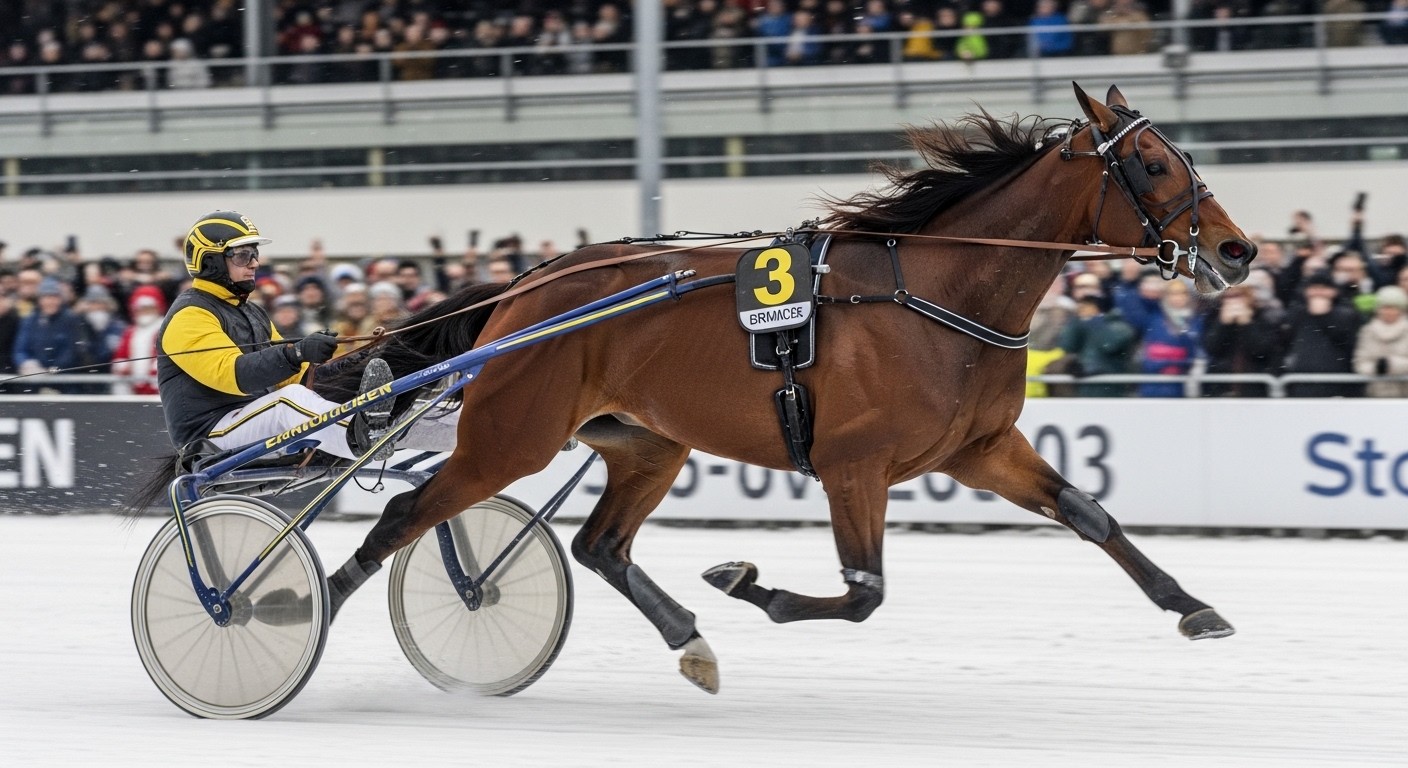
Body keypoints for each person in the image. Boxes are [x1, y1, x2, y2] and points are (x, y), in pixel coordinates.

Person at [157, 211, 416, 461]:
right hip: (210, 436)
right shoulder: (190, 315)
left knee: (300, 394)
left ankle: (437, 435)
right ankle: (362, 438)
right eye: (243, 255)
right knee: (288, 403)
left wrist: (357, 360)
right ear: (211, 261)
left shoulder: (252, 311)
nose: (255, 263)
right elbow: (232, 374)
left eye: (255, 253)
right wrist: (297, 352)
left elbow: (296, 377)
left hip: (247, 420)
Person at [1279, 270, 1363, 398]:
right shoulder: (1297, 314)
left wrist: (1324, 316)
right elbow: (1284, 341)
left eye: (1323, 288)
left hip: (1336, 384)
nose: (1318, 292)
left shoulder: (1347, 314)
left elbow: (1346, 341)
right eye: (1314, 288)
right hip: (1300, 383)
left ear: (1334, 291)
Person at [1352, 285, 1408, 397]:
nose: (1389, 312)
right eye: (1385, 307)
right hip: (1374, 394)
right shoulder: (1367, 331)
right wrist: (1376, 368)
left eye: (1393, 307)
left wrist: (1391, 365)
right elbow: (1360, 362)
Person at [112, 286, 167, 395]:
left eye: (149, 308)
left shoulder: (165, 329)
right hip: (133, 389)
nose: (145, 312)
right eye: (141, 308)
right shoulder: (130, 332)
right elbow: (121, 355)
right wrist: (122, 366)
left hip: (156, 390)